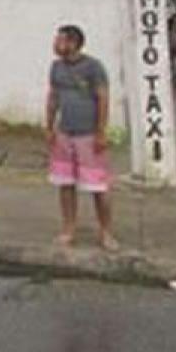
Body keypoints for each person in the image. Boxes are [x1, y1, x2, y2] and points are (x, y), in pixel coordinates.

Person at [45, 24, 118, 252]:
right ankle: (69, 229)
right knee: (65, 184)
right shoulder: (56, 67)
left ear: (74, 43)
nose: (56, 45)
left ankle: (105, 231)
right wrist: (49, 126)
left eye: (60, 40)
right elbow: (53, 97)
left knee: (98, 186)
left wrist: (101, 132)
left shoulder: (93, 68)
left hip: (88, 135)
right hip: (65, 133)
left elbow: (103, 99)